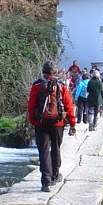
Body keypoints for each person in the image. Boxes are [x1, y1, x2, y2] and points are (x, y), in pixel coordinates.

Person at [27, 61, 76, 192]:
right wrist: (72, 124)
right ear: (55, 72)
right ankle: (55, 176)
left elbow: (31, 105)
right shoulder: (61, 85)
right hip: (58, 123)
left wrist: (33, 120)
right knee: (56, 148)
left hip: (41, 122)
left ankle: (46, 182)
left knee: (43, 151)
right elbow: (68, 105)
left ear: (43, 71)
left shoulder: (37, 85)